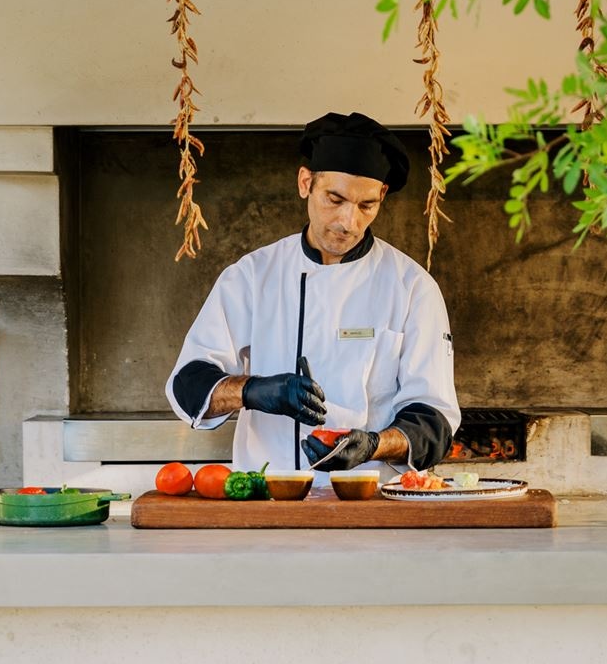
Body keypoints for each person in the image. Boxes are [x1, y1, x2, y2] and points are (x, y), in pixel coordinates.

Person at [164, 111, 460, 478]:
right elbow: (187, 386)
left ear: (382, 195)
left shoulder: (412, 287)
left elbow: (435, 424)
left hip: (373, 507)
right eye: (334, 199)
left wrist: (372, 445)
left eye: (366, 205)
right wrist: (254, 390)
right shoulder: (252, 276)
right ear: (306, 182)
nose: (347, 222)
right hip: (267, 502)